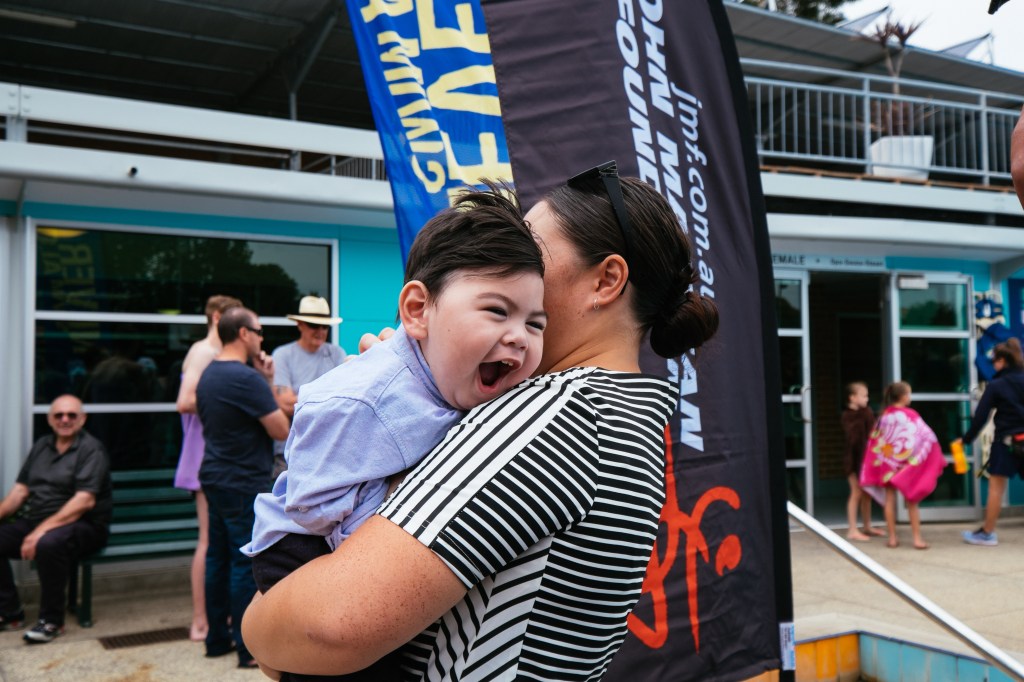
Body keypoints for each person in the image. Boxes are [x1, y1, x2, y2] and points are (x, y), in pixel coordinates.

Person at [241, 162, 720, 679]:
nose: (513, 265)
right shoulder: (624, 414)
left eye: (531, 252)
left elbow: (327, 627)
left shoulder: (554, 417)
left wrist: (257, 626)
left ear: (606, 280)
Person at [243, 186, 546, 680]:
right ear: (417, 311)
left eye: (535, 322)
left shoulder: (458, 387)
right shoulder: (364, 398)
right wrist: (389, 504)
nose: (519, 335)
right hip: (301, 550)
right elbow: (312, 500)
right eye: (496, 310)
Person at [196, 306, 290, 669]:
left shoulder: (210, 373)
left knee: (216, 557)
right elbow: (280, 429)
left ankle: (216, 639)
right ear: (244, 334)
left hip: (215, 476)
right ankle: (247, 649)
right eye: (260, 331)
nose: (263, 338)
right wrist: (267, 382)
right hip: (241, 480)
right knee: (240, 561)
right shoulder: (244, 379)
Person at [0, 395, 112, 644]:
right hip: (40, 521)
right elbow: (20, 491)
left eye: (72, 415)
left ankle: (52, 621)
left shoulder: (91, 449)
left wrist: (39, 532)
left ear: (82, 419)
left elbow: (85, 501)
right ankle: (10, 612)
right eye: (59, 415)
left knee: (48, 543)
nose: (65, 420)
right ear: (50, 419)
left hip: (85, 525)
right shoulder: (42, 445)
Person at [174, 294, 242, 642]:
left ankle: (220, 616)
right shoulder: (203, 351)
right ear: (217, 317)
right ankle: (200, 619)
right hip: (206, 456)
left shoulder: (219, 353)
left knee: (222, 543)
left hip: (220, 457)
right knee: (208, 542)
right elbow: (184, 401)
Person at [859, 381, 946, 550]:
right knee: (912, 501)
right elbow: (927, 437)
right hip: (906, 465)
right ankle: (917, 539)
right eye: (909, 394)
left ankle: (892, 538)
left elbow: (875, 441)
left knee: (889, 500)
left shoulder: (884, 416)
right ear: (904, 396)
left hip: (888, 464)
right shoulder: (911, 415)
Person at [956, 337, 1024, 546]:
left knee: (996, 488)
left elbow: (981, 417)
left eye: (994, 360)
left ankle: (987, 533)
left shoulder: (996, 385)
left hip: (1006, 442)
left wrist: (966, 439)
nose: (993, 364)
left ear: (1003, 361)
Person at [269, 296, 347, 478]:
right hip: (291, 451)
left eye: (324, 326)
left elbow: (345, 400)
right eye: (314, 325)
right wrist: (328, 396)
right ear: (300, 324)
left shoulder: (336, 353)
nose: (320, 331)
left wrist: (302, 397)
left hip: (328, 449)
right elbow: (285, 404)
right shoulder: (283, 354)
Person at [841, 382, 883, 542]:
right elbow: (854, 438)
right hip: (852, 461)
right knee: (856, 492)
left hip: (866, 460)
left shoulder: (866, 412)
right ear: (852, 398)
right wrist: (866, 414)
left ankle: (867, 526)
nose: (867, 399)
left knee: (867, 493)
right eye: (864, 395)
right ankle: (852, 529)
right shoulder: (847, 415)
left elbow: (873, 431)